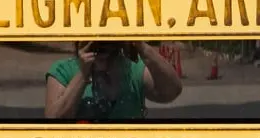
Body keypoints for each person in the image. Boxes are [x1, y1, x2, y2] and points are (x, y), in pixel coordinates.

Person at [44, 41, 183, 121]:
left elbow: (172, 91)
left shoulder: (133, 68)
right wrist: (82, 74)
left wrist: (143, 47)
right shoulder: (64, 70)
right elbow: (53, 121)